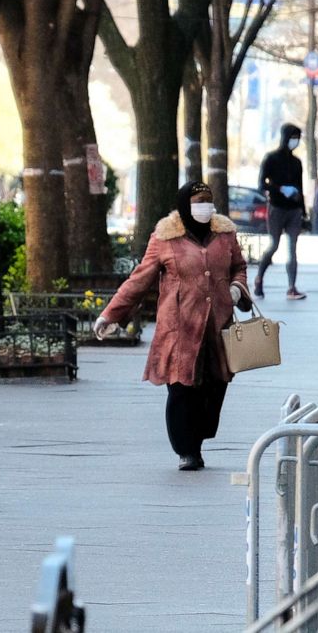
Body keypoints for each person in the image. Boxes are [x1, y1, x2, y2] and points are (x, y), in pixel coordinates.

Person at [93, 181, 252, 471]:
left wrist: (238, 288)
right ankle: (186, 451)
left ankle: (197, 438)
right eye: (198, 201)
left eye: (208, 200)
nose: (205, 206)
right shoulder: (165, 238)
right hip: (180, 328)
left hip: (218, 327)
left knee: (214, 389)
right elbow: (139, 279)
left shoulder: (225, 234)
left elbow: (238, 266)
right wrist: (110, 315)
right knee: (181, 390)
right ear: (184, 206)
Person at [254, 123, 307, 300]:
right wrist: (280, 189)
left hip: (294, 210)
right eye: (293, 137)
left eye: (298, 138)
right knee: (274, 245)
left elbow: (300, 186)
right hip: (276, 208)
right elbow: (262, 183)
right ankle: (259, 277)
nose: (296, 141)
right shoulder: (271, 158)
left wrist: (303, 208)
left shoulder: (297, 163)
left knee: (293, 248)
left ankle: (292, 287)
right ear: (285, 138)